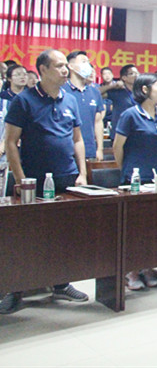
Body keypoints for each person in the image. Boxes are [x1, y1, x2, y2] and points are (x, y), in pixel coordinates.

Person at [1, 49, 89, 314]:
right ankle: (15, 290)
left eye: (66, 66)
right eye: (59, 66)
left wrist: (82, 173)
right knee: (24, 237)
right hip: (34, 180)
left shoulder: (70, 99)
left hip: (66, 178)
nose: (65, 70)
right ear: (42, 70)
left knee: (63, 235)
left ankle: (61, 283)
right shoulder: (24, 100)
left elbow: (77, 139)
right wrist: (21, 179)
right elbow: (11, 142)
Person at [113, 72, 157, 291]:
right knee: (135, 228)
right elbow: (117, 147)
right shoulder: (130, 115)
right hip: (135, 179)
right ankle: (131, 271)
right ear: (145, 90)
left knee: (153, 227)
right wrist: (127, 170)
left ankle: (148, 267)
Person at [63, 51, 105, 161]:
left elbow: (98, 122)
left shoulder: (94, 92)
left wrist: (99, 148)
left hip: (89, 149)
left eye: (88, 62)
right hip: (66, 150)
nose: (87, 65)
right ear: (71, 66)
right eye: (83, 62)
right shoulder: (62, 90)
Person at [106, 64, 138, 131]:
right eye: (132, 73)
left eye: (137, 73)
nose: (136, 75)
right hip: (120, 130)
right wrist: (113, 85)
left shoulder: (141, 92)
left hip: (136, 130)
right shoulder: (118, 92)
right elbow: (96, 93)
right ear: (124, 78)